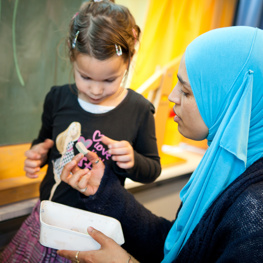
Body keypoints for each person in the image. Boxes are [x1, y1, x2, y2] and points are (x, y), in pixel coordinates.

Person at [57, 26, 263, 263]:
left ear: (233, 102)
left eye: (186, 91)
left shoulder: (255, 210)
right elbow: (178, 248)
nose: (173, 96)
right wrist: (103, 190)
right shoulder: (224, 164)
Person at [0, 1, 161, 262]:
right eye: (85, 77)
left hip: (94, 230)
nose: (96, 90)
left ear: (128, 61)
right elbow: (46, 141)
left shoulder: (139, 110)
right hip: (50, 219)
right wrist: (37, 154)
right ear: (72, 59)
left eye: (109, 80)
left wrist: (133, 160)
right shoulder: (58, 98)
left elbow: (152, 169)